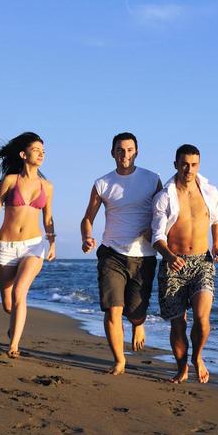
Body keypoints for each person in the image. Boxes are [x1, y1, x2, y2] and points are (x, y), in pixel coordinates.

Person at [79, 132, 163, 375]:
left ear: (136, 152)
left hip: (144, 255)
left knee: (136, 310)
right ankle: (119, 360)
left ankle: (139, 323)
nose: (124, 154)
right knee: (113, 308)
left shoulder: (152, 179)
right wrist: (87, 237)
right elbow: (88, 218)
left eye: (129, 150)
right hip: (111, 252)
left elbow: (163, 213)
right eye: (119, 150)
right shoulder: (102, 183)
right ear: (112, 152)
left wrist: (154, 230)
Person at [149, 144, 218, 384]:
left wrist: (217, 245)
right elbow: (157, 236)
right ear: (175, 164)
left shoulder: (210, 192)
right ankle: (181, 368)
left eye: (193, 164)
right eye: (184, 164)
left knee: (203, 318)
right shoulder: (164, 197)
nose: (188, 169)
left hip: (202, 262)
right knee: (178, 323)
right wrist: (169, 256)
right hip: (173, 264)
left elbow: (217, 220)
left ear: (198, 165)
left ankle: (198, 357)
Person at [0, 132, 56, 358]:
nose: (41, 154)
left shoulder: (47, 186)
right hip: (5, 246)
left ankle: (14, 345)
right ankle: (13, 325)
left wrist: (52, 241)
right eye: (36, 150)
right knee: (8, 304)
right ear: (23, 154)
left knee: (19, 292)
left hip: (33, 246)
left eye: (43, 151)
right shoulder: (10, 181)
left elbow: (48, 219)